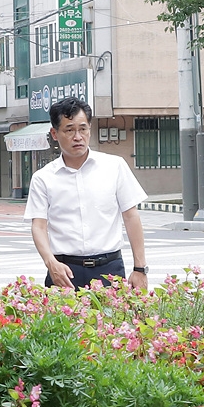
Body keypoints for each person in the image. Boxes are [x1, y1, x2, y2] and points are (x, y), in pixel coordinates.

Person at [25, 97, 149, 290]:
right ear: (54, 133)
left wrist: (140, 268)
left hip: (110, 269)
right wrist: (51, 263)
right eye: (69, 130)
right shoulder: (43, 178)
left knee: (115, 320)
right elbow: (39, 226)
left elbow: (131, 216)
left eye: (83, 129)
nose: (78, 136)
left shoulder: (114, 166)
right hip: (64, 271)